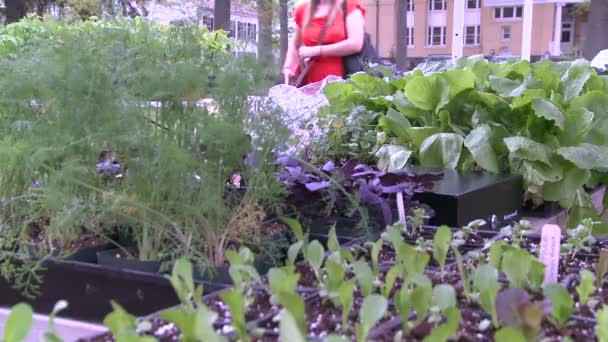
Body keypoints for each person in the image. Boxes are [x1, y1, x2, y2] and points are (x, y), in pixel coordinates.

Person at [282, 0, 366, 86]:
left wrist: (317, 50)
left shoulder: (349, 6)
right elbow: (295, 43)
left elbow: (355, 44)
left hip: (339, 82)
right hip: (308, 80)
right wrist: (288, 68)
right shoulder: (303, 9)